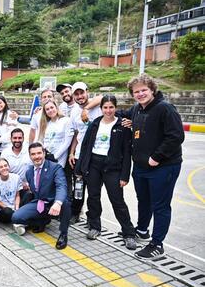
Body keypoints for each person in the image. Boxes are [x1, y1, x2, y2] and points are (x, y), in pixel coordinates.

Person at [125, 74, 184, 259]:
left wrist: (157, 157)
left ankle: (157, 244)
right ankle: (142, 230)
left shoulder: (165, 108)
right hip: (141, 167)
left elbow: (176, 136)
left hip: (163, 166)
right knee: (144, 200)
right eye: (137, 91)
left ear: (152, 89)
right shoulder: (137, 109)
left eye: (144, 90)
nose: (140, 94)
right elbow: (122, 115)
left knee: (160, 205)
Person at [75, 95, 137, 250]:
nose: (108, 110)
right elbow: (85, 147)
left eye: (111, 107)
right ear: (101, 108)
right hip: (94, 165)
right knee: (93, 197)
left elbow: (127, 152)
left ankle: (128, 233)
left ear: (115, 108)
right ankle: (95, 226)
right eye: (105, 107)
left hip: (113, 168)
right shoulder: (95, 123)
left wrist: (124, 175)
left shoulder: (122, 126)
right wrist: (80, 169)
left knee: (117, 200)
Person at [11, 142, 72, 250]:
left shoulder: (55, 168)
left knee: (65, 203)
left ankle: (63, 234)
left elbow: (61, 186)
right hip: (40, 202)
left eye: (39, 153)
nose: (37, 156)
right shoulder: (29, 172)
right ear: (30, 156)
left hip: (54, 202)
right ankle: (42, 221)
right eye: (33, 154)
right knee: (16, 217)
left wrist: (58, 203)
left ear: (44, 153)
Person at [68, 82, 102, 222]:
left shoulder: (98, 105)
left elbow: (102, 97)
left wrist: (86, 109)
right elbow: (76, 133)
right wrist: (71, 153)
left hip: (96, 154)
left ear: (87, 91)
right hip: (80, 155)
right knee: (78, 187)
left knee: (94, 192)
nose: (80, 96)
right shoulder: (74, 111)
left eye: (82, 93)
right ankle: (76, 213)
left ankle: (93, 220)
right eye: (76, 94)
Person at [37, 101, 73, 168]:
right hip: (46, 158)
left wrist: (55, 156)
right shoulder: (45, 124)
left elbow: (67, 142)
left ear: (56, 108)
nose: (50, 110)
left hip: (59, 159)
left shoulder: (66, 121)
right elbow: (41, 140)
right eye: (47, 109)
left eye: (52, 107)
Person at [0, 158, 22, 224]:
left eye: (5, 165)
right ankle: (18, 219)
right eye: (1, 167)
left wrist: (17, 209)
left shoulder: (16, 177)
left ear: (9, 166)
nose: (4, 168)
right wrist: (11, 210)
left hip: (14, 206)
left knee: (28, 196)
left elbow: (17, 195)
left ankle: (18, 218)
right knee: (7, 212)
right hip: (2, 209)